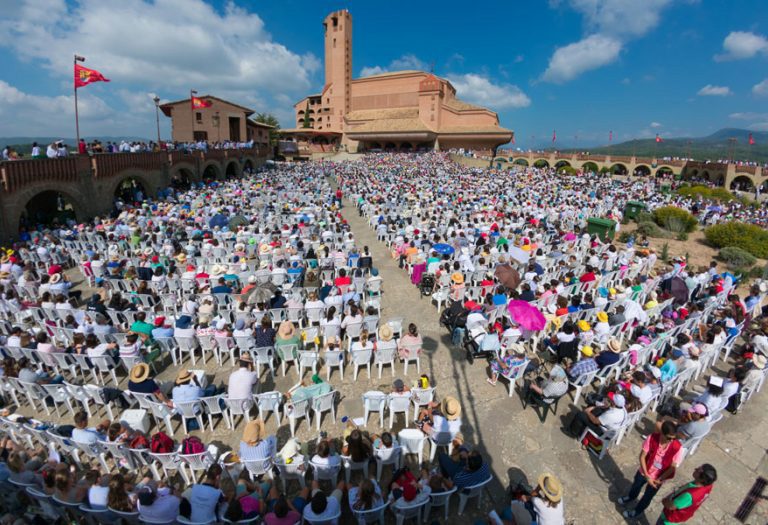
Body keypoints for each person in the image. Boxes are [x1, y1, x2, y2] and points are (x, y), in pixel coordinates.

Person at [618, 421, 683, 519]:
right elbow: (642, 456)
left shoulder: (677, 447)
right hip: (645, 471)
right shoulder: (652, 438)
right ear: (662, 433)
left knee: (648, 496)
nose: (671, 441)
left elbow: (673, 467)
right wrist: (647, 476)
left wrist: (660, 479)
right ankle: (631, 497)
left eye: (673, 438)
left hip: (659, 477)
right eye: (669, 438)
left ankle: (637, 511)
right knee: (636, 485)